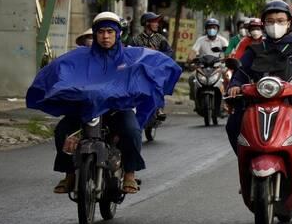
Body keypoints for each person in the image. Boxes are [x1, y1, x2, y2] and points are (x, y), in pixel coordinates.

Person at [27, 12, 180, 195]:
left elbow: (159, 63)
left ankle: (130, 174)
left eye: (109, 31)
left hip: (118, 110)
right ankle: (69, 174)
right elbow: (58, 69)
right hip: (85, 110)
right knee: (62, 130)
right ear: (95, 33)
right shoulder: (80, 57)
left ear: (117, 33)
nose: (105, 36)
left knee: (131, 131)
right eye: (100, 32)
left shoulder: (130, 56)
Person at [227, 1, 292, 193]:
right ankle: (248, 166)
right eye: (270, 21)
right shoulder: (254, 50)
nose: (275, 25)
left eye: (280, 20)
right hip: (256, 102)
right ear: (263, 24)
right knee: (233, 125)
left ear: (288, 23)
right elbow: (240, 73)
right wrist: (235, 86)